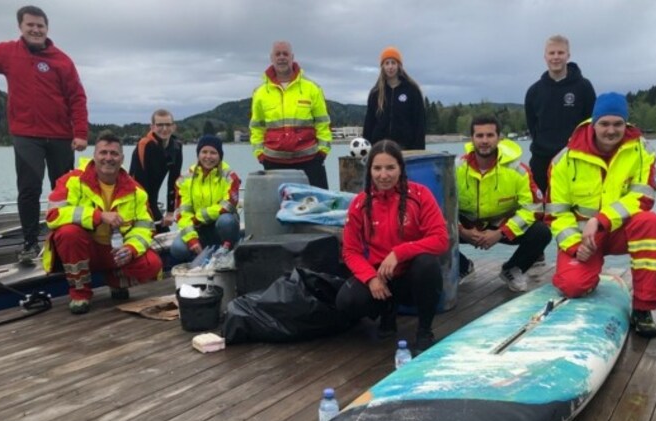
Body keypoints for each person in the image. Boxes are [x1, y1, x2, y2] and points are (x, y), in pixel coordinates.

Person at [546, 92, 656, 338]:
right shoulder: (563, 160)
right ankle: (582, 273)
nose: (611, 130)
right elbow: (556, 213)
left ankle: (643, 308)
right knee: (573, 286)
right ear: (593, 124)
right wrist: (575, 246)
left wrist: (600, 220)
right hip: (583, 240)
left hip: (619, 231)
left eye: (618, 124)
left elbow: (643, 198)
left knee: (650, 223)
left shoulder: (642, 152)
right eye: (604, 123)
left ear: (626, 124)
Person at [0, 6, 88, 263]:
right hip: (26, 135)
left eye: (40, 26)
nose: (35, 30)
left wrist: (80, 132)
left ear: (47, 28)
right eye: (30, 25)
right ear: (21, 27)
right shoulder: (7, 53)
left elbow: (77, 97)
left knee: (64, 190)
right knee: (28, 189)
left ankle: (62, 237)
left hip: (60, 136)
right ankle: (30, 243)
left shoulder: (62, 60)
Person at [337, 140, 448, 355]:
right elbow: (350, 251)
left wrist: (399, 252)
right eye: (377, 168)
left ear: (401, 169)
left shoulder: (420, 195)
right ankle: (387, 311)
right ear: (369, 171)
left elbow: (440, 239)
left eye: (390, 168)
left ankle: (424, 331)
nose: (383, 175)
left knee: (427, 265)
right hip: (381, 277)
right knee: (346, 301)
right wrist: (370, 278)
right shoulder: (360, 203)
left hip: (411, 275)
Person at [42, 132, 162, 315]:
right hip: (84, 249)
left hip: (113, 251)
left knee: (152, 264)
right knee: (68, 233)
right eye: (103, 153)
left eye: (114, 154)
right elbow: (53, 215)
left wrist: (130, 249)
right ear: (94, 155)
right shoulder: (72, 180)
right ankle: (80, 294)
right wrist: (97, 216)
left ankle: (117, 282)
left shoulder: (136, 190)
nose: (108, 158)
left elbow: (145, 227)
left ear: (122, 158)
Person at [456, 116, 551, 292]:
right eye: (479, 135)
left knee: (542, 231)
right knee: (435, 225)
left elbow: (534, 208)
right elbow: (441, 208)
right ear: (472, 139)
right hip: (467, 226)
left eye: (490, 135)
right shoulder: (455, 168)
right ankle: (461, 267)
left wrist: (501, 233)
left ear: (499, 138)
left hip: (502, 226)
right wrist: (462, 231)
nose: (485, 141)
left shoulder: (518, 170)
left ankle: (512, 269)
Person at [249, 41, 332, 189]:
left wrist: (322, 152)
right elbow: (257, 128)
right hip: (274, 162)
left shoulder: (312, 88)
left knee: (319, 207)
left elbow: (323, 123)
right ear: (271, 58)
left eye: (285, 54)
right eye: (278, 54)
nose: (282, 57)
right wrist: (260, 154)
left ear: (292, 57)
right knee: (277, 209)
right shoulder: (260, 93)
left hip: (310, 161)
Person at [525, 34, 596, 194]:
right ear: (545, 56)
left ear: (568, 56)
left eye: (560, 53)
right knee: (540, 209)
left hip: (576, 160)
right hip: (541, 161)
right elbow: (533, 126)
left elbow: (591, 124)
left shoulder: (584, 87)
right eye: (552, 53)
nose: (556, 57)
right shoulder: (534, 91)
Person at [170, 135, 240, 263]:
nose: (208, 157)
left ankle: (230, 252)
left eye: (213, 153)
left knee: (227, 221)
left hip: (219, 227)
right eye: (204, 152)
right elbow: (182, 214)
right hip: (198, 228)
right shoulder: (185, 178)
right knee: (177, 248)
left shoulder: (230, 176)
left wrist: (199, 217)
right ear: (198, 154)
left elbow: (228, 206)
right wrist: (192, 239)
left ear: (220, 156)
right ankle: (200, 258)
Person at [129, 109, 183, 234]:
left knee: (166, 235)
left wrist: (170, 212)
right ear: (152, 127)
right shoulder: (144, 145)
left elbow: (174, 181)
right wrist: (148, 212)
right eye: (159, 125)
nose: (164, 129)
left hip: (152, 199)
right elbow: (138, 182)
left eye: (168, 125)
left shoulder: (176, 147)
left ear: (173, 127)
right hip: (136, 198)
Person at [362, 46, 426, 151]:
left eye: (393, 63)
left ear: (399, 65)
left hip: (405, 147)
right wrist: (366, 148)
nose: (390, 67)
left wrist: (419, 149)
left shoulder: (412, 90)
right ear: (382, 66)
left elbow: (419, 123)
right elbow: (369, 123)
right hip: (379, 147)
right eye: (387, 63)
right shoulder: (375, 93)